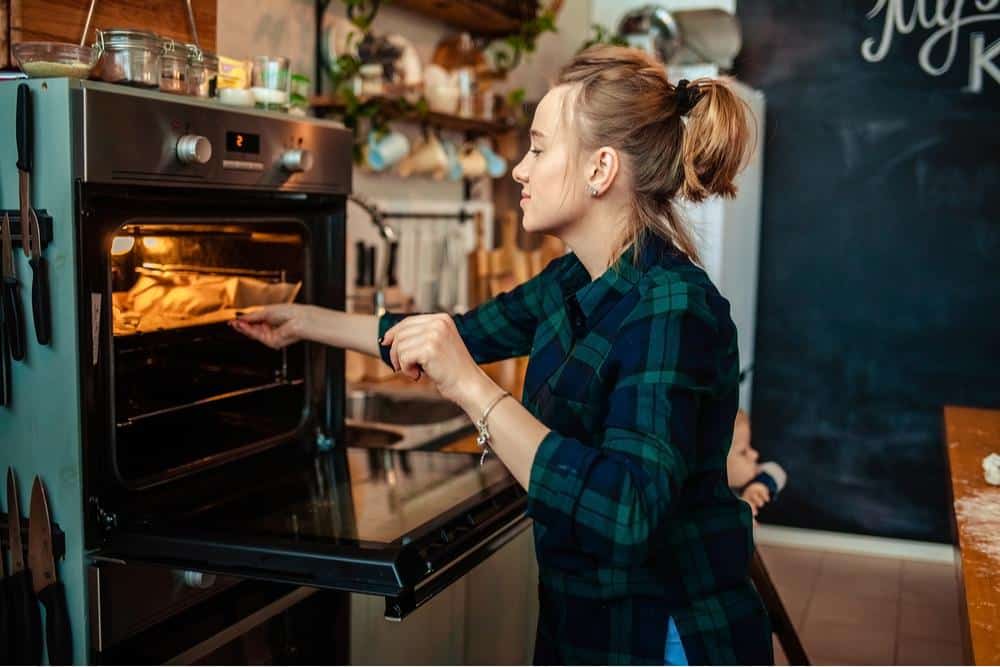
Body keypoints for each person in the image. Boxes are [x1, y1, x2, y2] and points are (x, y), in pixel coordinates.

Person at [231, 45, 771, 665]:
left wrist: (472, 389)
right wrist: (303, 322)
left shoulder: (673, 307)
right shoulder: (573, 280)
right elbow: (455, 334)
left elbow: (625, 513)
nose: (519, 168)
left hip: (664, 635)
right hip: (585, 625)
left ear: (600, 170)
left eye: (539, 149)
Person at [727, 409, 788, 517]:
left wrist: (761, 484)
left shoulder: (742, 486)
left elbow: (776, 471)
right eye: (743, 452)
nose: (754, 454)